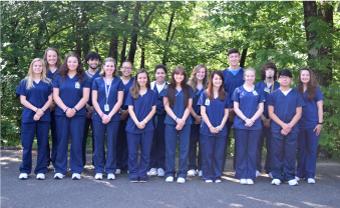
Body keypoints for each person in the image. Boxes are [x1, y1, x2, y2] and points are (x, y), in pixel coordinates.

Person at [52, 53, 90, 180]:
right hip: (61, 114)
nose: (72, 64)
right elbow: (55, 96)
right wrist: (65, 109)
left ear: (78, 63)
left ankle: (76, 170)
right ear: (66, 63)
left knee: (77, 142)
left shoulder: (84, 78)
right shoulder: (59, 77)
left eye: (75, 62)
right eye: (70, 61)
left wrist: (74, 109)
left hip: (78, 115)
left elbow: (85, 97)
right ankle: (60, 170)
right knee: (61, 142)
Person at [16, 58, 53, 180]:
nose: (37, 67)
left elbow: (50, 100)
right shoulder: (25, 82)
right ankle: (25, 170)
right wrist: (36, 110)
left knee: (42, 145)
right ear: (32, 67)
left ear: (43, 67)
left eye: (40, 66)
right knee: (27, 145)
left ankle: (41, 170)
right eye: (35, 65)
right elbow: (23, 100)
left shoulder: (48, 82)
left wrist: (41, 111)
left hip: (44, 118)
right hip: (28, 117)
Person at [267, 69, 305, 186]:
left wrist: (289, 126)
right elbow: (271, 113)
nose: (284, 79)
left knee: (290, 153)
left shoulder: (296, 95)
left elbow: (299, 113)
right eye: (282, 77)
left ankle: (289, 176)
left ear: (291, 79)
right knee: (277, 153)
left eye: (287, 77)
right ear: (278, 79)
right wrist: (283, 125)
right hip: (276, 129)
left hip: (292, 129)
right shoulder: (273, 94)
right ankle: (277, 176)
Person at [92, 57, 124, 180]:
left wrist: (109, 115)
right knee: (98, 143)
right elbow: (94, 100)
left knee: (111, 143)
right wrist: (102, 115)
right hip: (98, 117)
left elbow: (120, 101)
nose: (109, 68)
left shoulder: (118, 81)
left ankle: (110, 169)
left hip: (114, 117)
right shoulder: (97, 81)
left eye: (112, 66)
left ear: (115, 68)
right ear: (103, 67)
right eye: (107, 66)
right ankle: (99, 169)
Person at [161, 66, 194, 183]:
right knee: (170, 149)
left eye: (181, 74)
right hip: (170, 122)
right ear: (173, 75)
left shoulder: (188, 89)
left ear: (184, 76)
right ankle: (169, 172)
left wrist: (182, 120)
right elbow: (166, 106)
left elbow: (189, 106)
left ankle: (182, 174)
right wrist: (176, 119)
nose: (179, 76)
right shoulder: (167, 88)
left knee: (184, 149)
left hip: (186, 122)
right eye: (177, 74)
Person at [232, 68, 265, 185]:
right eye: (248, 76)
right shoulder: (238, 90)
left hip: (255, 125)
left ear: (255, 77)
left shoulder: (259, 91)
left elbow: (261, 108)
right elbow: (236, 108)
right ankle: (241, 174)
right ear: (244, 77)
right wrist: (246, 119)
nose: (250, 78)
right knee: (241, 150)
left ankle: (250, 175)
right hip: (241, 125)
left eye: (252, 76)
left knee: (252, 151)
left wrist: (252, 120)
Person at [125, 69, 157, 182]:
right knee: (132, 152)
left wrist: (144, 122)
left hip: (147, 127)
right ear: (136, 79)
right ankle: (133, 173)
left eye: (144, 78)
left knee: (146, 151)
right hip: (133, 126)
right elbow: (130, 109)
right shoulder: (132, 91)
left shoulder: (152, 93)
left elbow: (153, 110)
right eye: (140, 78)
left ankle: (143, 172)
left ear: (147, 79)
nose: (142, 80)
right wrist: (137, 122)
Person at [198, 71, 230, 183]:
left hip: (221, 130)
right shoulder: (205, 94)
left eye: (220, 79)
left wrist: (220, 126)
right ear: (211, 80)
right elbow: (203, 112)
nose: (218, 81)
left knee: (218, 154)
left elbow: (226, 113)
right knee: (208, 153)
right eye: (215, 79)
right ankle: (208, 175)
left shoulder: (225, 95)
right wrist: (211, 126)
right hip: (207, 129)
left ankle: (217, 175)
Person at [295, 67, 323, 184]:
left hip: (313, 124)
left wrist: (320, 123)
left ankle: (310, 174)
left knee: (311, 150)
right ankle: (300, 173)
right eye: (303, 75)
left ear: (310, 76)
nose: (305, 77)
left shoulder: (316, 90)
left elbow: (320, 107)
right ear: (300, 77)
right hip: (300, 124)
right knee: (301, 149)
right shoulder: (296, 90)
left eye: (307, 75)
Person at [255, 62, 280, 178]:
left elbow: (281, 105)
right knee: (257, 145)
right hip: (259, 120)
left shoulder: (279, 86)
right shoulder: (258, 86)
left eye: (272, 70)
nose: (269, 72)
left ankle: (270, 169)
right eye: (267, 70)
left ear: (275, 72)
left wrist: (270, 119)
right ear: (264, 72)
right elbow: (255, 104)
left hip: (274, 121)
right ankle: (256, 168)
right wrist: (264, 118)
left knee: (272, 146)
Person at [221, 48, 245, 169]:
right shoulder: (223, 74)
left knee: (240, 142)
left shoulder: (245, 74)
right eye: (232, 56)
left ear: (239, 58)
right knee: (222, 140)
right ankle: (219, 168)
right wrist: (228, 108)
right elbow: (220, 93)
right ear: (228, 58)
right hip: (225, 111)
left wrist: (237, 109)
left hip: (241, 112)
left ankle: (238, 169)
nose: (234, 59)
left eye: (236, 56)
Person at [187, 64, 208, 177]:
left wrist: (202, 118)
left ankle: (201, 167)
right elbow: (188, 105)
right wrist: (196, 116)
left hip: (205, 120)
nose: (201, 74)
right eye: (199, 72)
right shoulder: (189, 86)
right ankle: (191, 166)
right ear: (195, 73)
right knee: (192, 143)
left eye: (203, 72)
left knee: (203, 144)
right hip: (191, 119)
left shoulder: (208, 87)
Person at [43, 47, 62, 169]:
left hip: (58, 108)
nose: (52, 58)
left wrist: (55, 103)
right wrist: (47, 104)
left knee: (57, 136)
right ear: (46, 57)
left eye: (54, 56)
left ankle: (56, 161)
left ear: (57, 57)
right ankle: (44, 161)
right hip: (43, 108)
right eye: (49, 56)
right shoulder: (41, 71)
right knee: (43, 135)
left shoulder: (61, 72)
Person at [82, 52, 102, 167]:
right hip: (83, 110)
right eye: (91, 60)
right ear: (87, 61)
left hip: (98, 111)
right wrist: (87, 107)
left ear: (99, 62)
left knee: (97, 138)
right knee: (81, 137)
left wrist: (94, 108)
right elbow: (78, 93)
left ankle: (98, 164)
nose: (94, 62)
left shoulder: (102, 75)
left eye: (96, 60)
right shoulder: (81, 75)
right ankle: (80, 162)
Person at [149, 65, 168, 177]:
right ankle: (152, 165)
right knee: (151, 141)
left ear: (165, 74)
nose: (160, 75)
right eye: (158, 73)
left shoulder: (169, 86)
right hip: (151, 116)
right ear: (155, 74)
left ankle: (161, 165)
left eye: (162, 73)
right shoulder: (150, 85)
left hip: (164, 117)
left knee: (162, 141)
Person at [116, 61, 134, 174]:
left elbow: (137, 98)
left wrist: (128, 111)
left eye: (129, 68)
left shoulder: (135, 82)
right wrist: (120, 110)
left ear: (132, 70)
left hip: (131, 114)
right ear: (121, 69)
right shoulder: (116, 81)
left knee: (129, 140)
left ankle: (127, 165)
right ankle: (117, 164)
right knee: (117, 139)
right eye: (124, 67)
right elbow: (111, 97)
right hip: (116, 114)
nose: (126, 70)